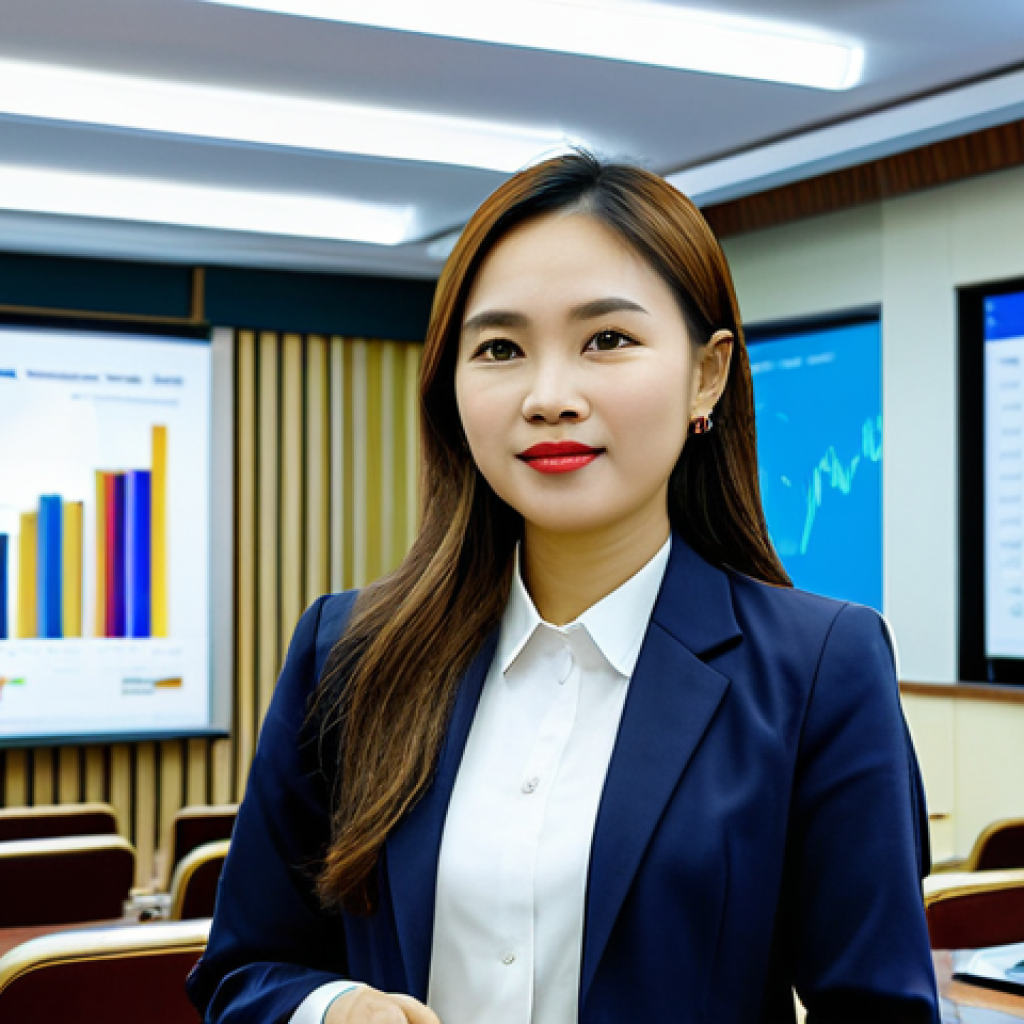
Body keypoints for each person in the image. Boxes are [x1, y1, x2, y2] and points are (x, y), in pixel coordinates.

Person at [187, 153, 939, 1024]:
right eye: (501, 348)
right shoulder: (347, 652)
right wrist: (330, 1010)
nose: (549, 396)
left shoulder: (820, 670)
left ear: (708, 374)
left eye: (607, 341)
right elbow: (244, 969)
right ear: (452, 385)